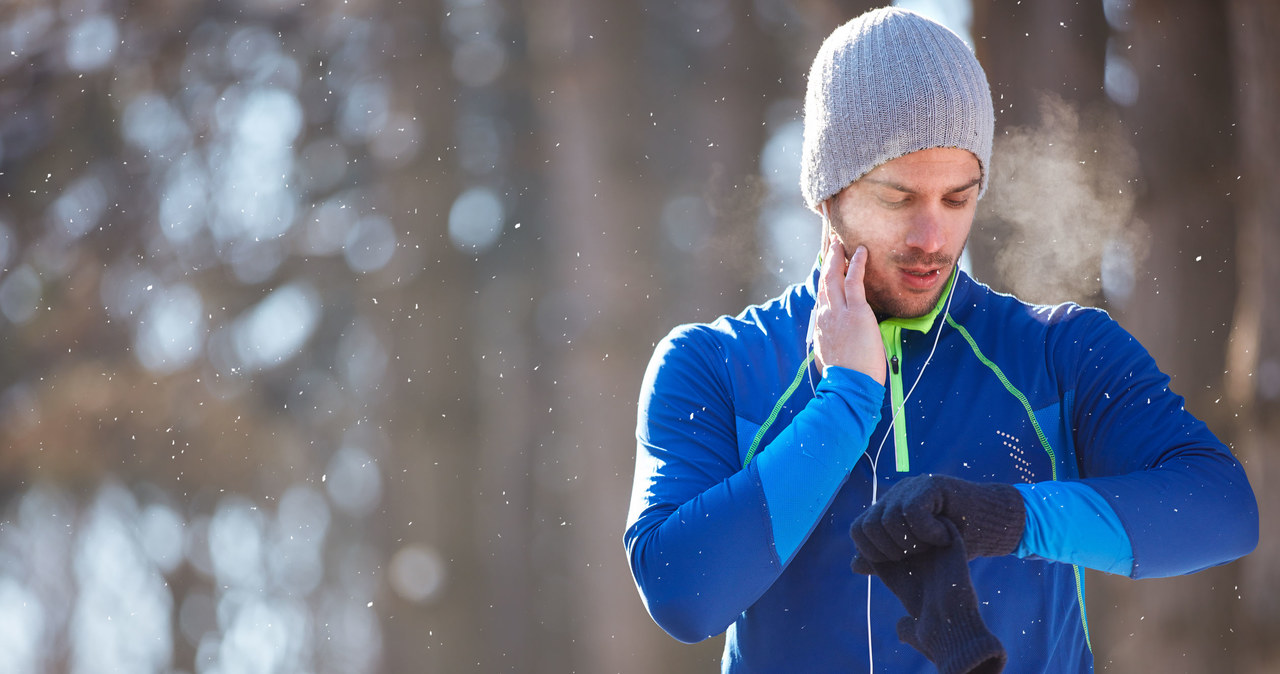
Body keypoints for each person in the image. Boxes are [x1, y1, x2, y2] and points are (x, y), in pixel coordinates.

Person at [623, 6, 1259, 673]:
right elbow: (682, 596)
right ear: (825, 192)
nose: (932, 238)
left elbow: (1222, 510)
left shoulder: (1056, 355)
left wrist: (1011, 518)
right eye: (899, 199)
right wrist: (845, 404)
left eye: (958, 199)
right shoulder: (714, 365)